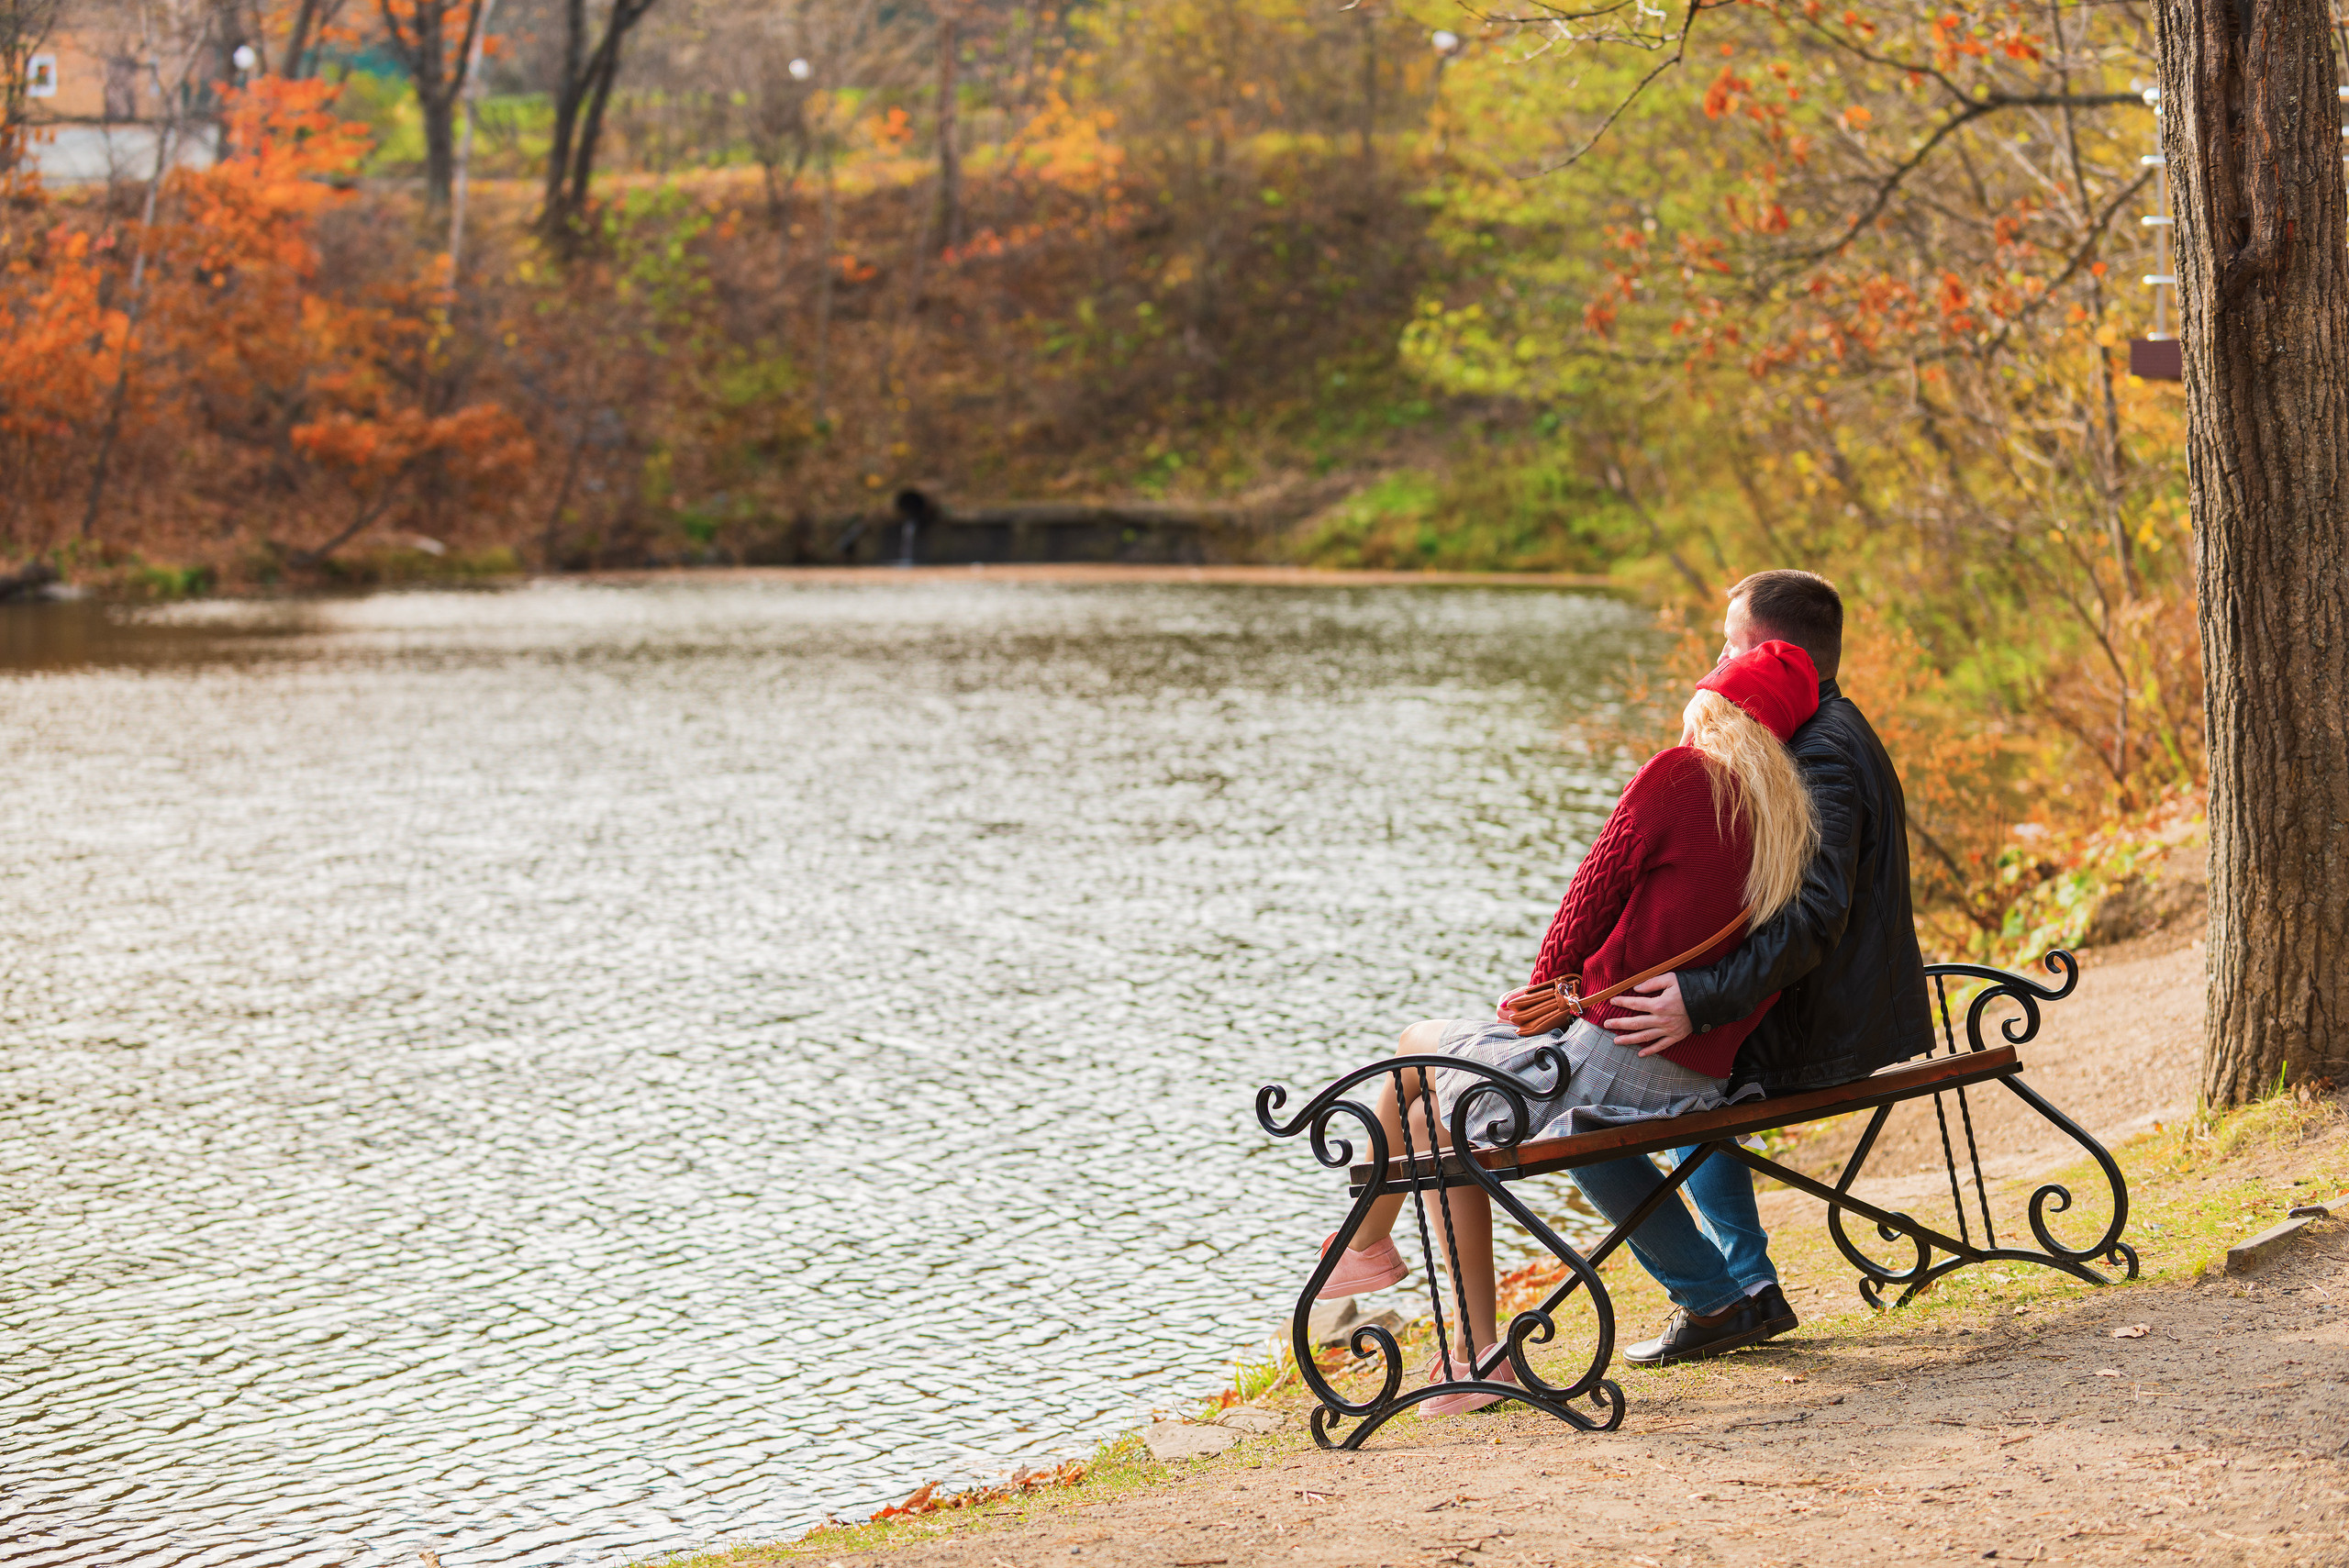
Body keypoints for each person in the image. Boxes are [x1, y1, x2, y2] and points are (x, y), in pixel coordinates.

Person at [1310, 641, 1823, 1414]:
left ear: (1715, 708)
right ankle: (1475, 1352)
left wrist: (1536, 1001)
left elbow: (1585, 901)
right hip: (1692, 1078)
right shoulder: (1788, 818)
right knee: (1429, 1119)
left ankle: (1364, 1242)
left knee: (1414, 1046)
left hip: (1610, 1065)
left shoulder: (1680, 775)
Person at [1598, 569, 1935, 1364]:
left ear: (1779, 655)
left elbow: (1814, 919)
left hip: (1823, 1032)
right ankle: (1745, 1290)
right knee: (1664, 1071)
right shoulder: (1822, 730)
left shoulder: (1820, 752)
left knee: (1597, 1116)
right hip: (1829, 1011)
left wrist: (1700, 999)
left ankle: (1714, 1296)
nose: (1717, 660)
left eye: (1730, 643)